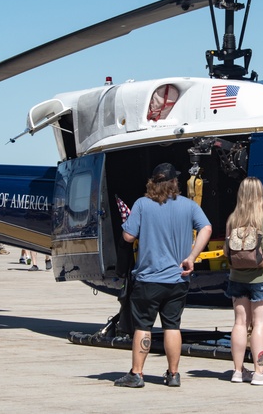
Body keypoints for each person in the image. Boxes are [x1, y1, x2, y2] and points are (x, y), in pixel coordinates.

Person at [113, 163, 212, 388]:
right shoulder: (188, 206)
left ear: (152, 183)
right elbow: (206, 228)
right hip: (178, 279)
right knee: (172, 326)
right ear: (174, 183)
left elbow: (128, 237)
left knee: (143, 326)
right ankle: (173, 374)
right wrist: (192, 256)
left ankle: (137, 374)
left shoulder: (142, 204)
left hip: (148, 279)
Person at [225, 177, 263, 385]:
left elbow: (226, 250)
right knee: (260, 324)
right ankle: (260, 372)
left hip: (237, 277)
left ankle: (237, 371)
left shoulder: (233, 218)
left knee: (240, 323)